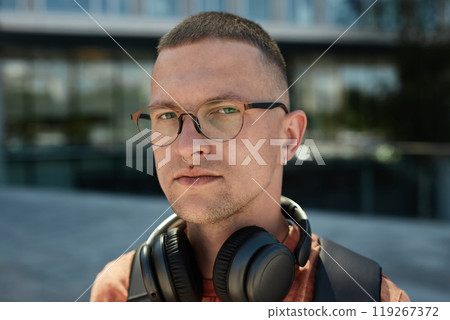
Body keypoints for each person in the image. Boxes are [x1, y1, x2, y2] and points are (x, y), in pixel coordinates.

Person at [90, 11, 409, 302]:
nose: (186, 146)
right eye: (165, 115)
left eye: (224, 110)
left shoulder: (368, 298)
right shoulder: (117, 291)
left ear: (289, 137)